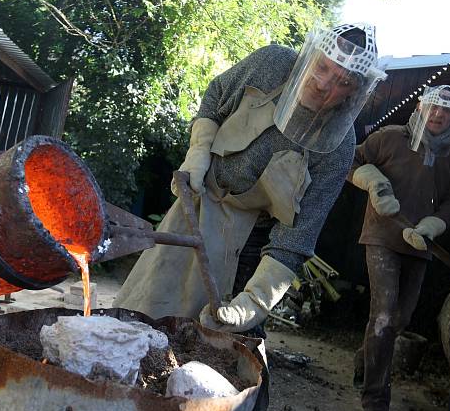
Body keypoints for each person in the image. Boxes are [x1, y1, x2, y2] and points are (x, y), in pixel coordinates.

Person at [114, 23, 388, 335]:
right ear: (309, 55)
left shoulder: (339, 146)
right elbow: (217, 93)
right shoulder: (271, 63)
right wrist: (199, 150)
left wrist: (255, 302)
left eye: (342, 81)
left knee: (220, 342)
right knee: (146, 310)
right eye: (322, 66)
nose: (322, 83)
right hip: (201, 200)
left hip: (253, 244)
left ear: (354, 92)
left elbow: (297, 237)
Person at [349, 84, 450, 411]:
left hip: (419, 244)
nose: (438, 114)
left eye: (447, 110)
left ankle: (364, 360)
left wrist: (434, 224)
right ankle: (376, 408)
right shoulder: (390, 137)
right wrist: (372, 181)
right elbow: (351, 160)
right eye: (433, 106)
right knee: (384, 316)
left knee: (399, 320)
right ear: (421, 106)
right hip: (382, 237)